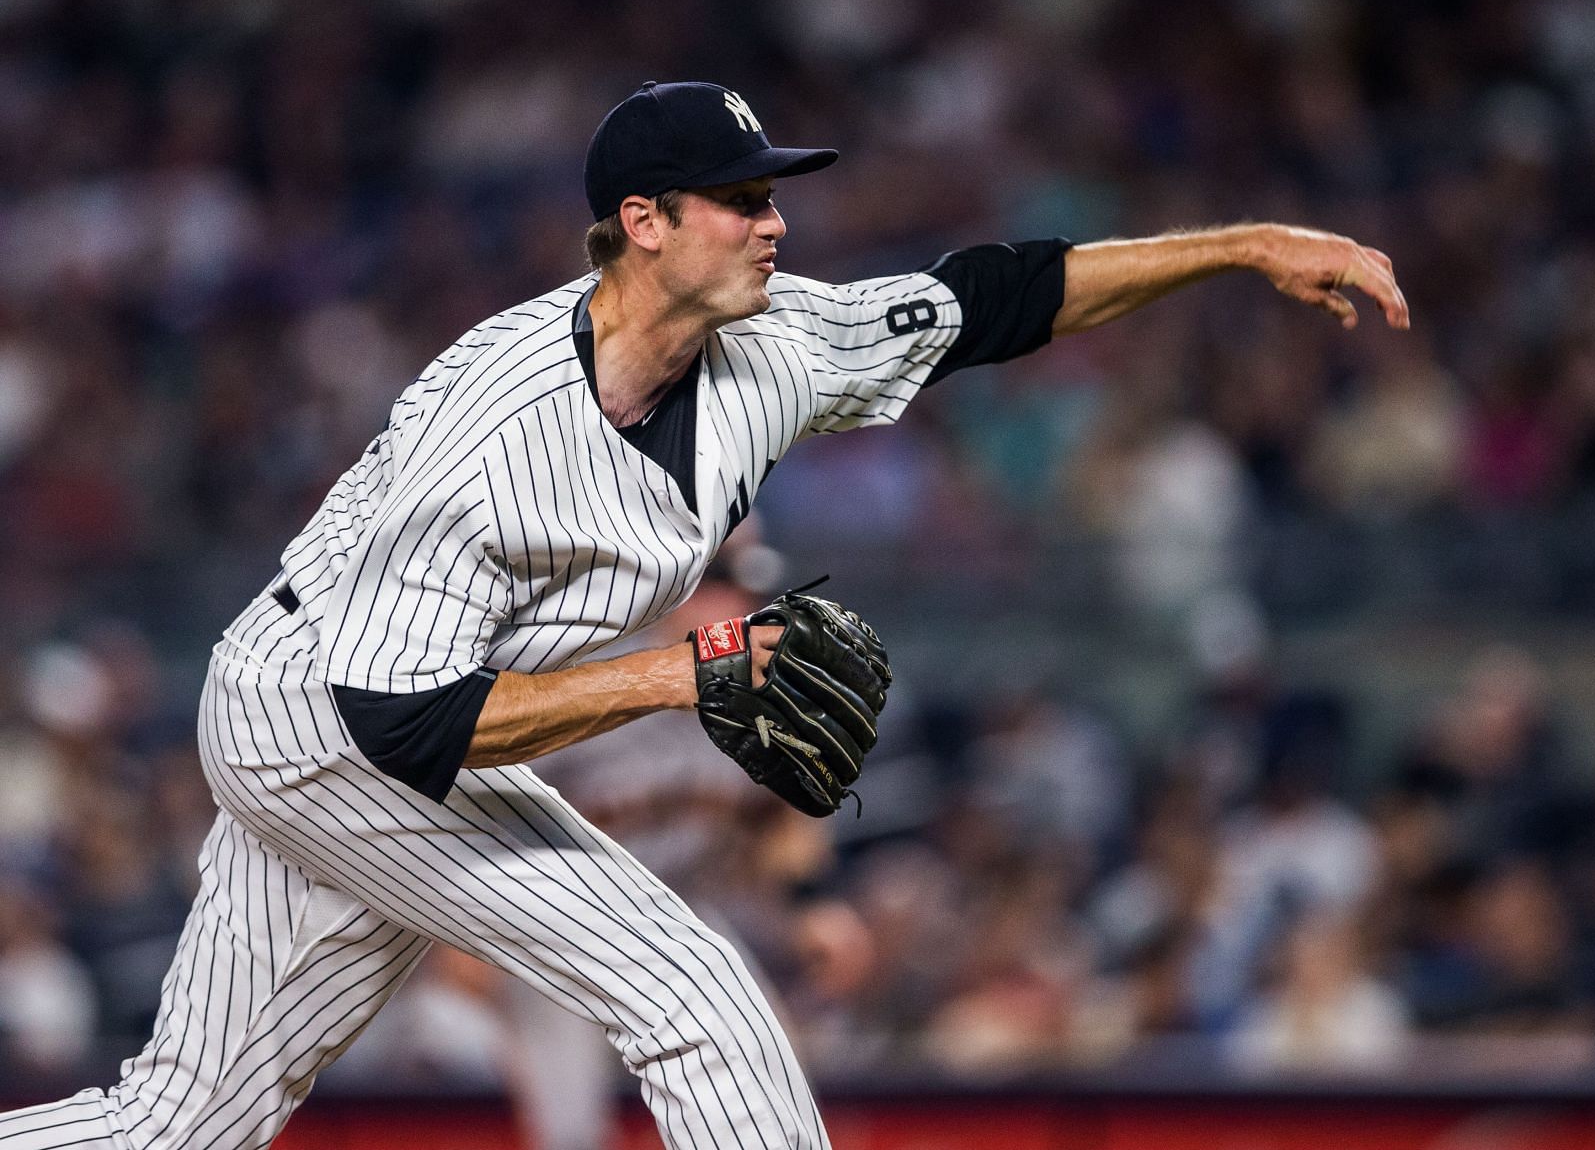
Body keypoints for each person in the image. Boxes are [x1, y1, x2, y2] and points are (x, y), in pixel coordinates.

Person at [0, 79, 1407, 1150]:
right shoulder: (490, 432)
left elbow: (989, 301)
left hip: (388, 710)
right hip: (327, 716)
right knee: (688, 988)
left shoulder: (771, 342)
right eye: (740, 197)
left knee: (179, 1122)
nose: (776, 220)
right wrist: (692, 673)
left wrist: (1241, 244)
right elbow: (408, 727)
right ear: (645, 224)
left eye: (773, 191)